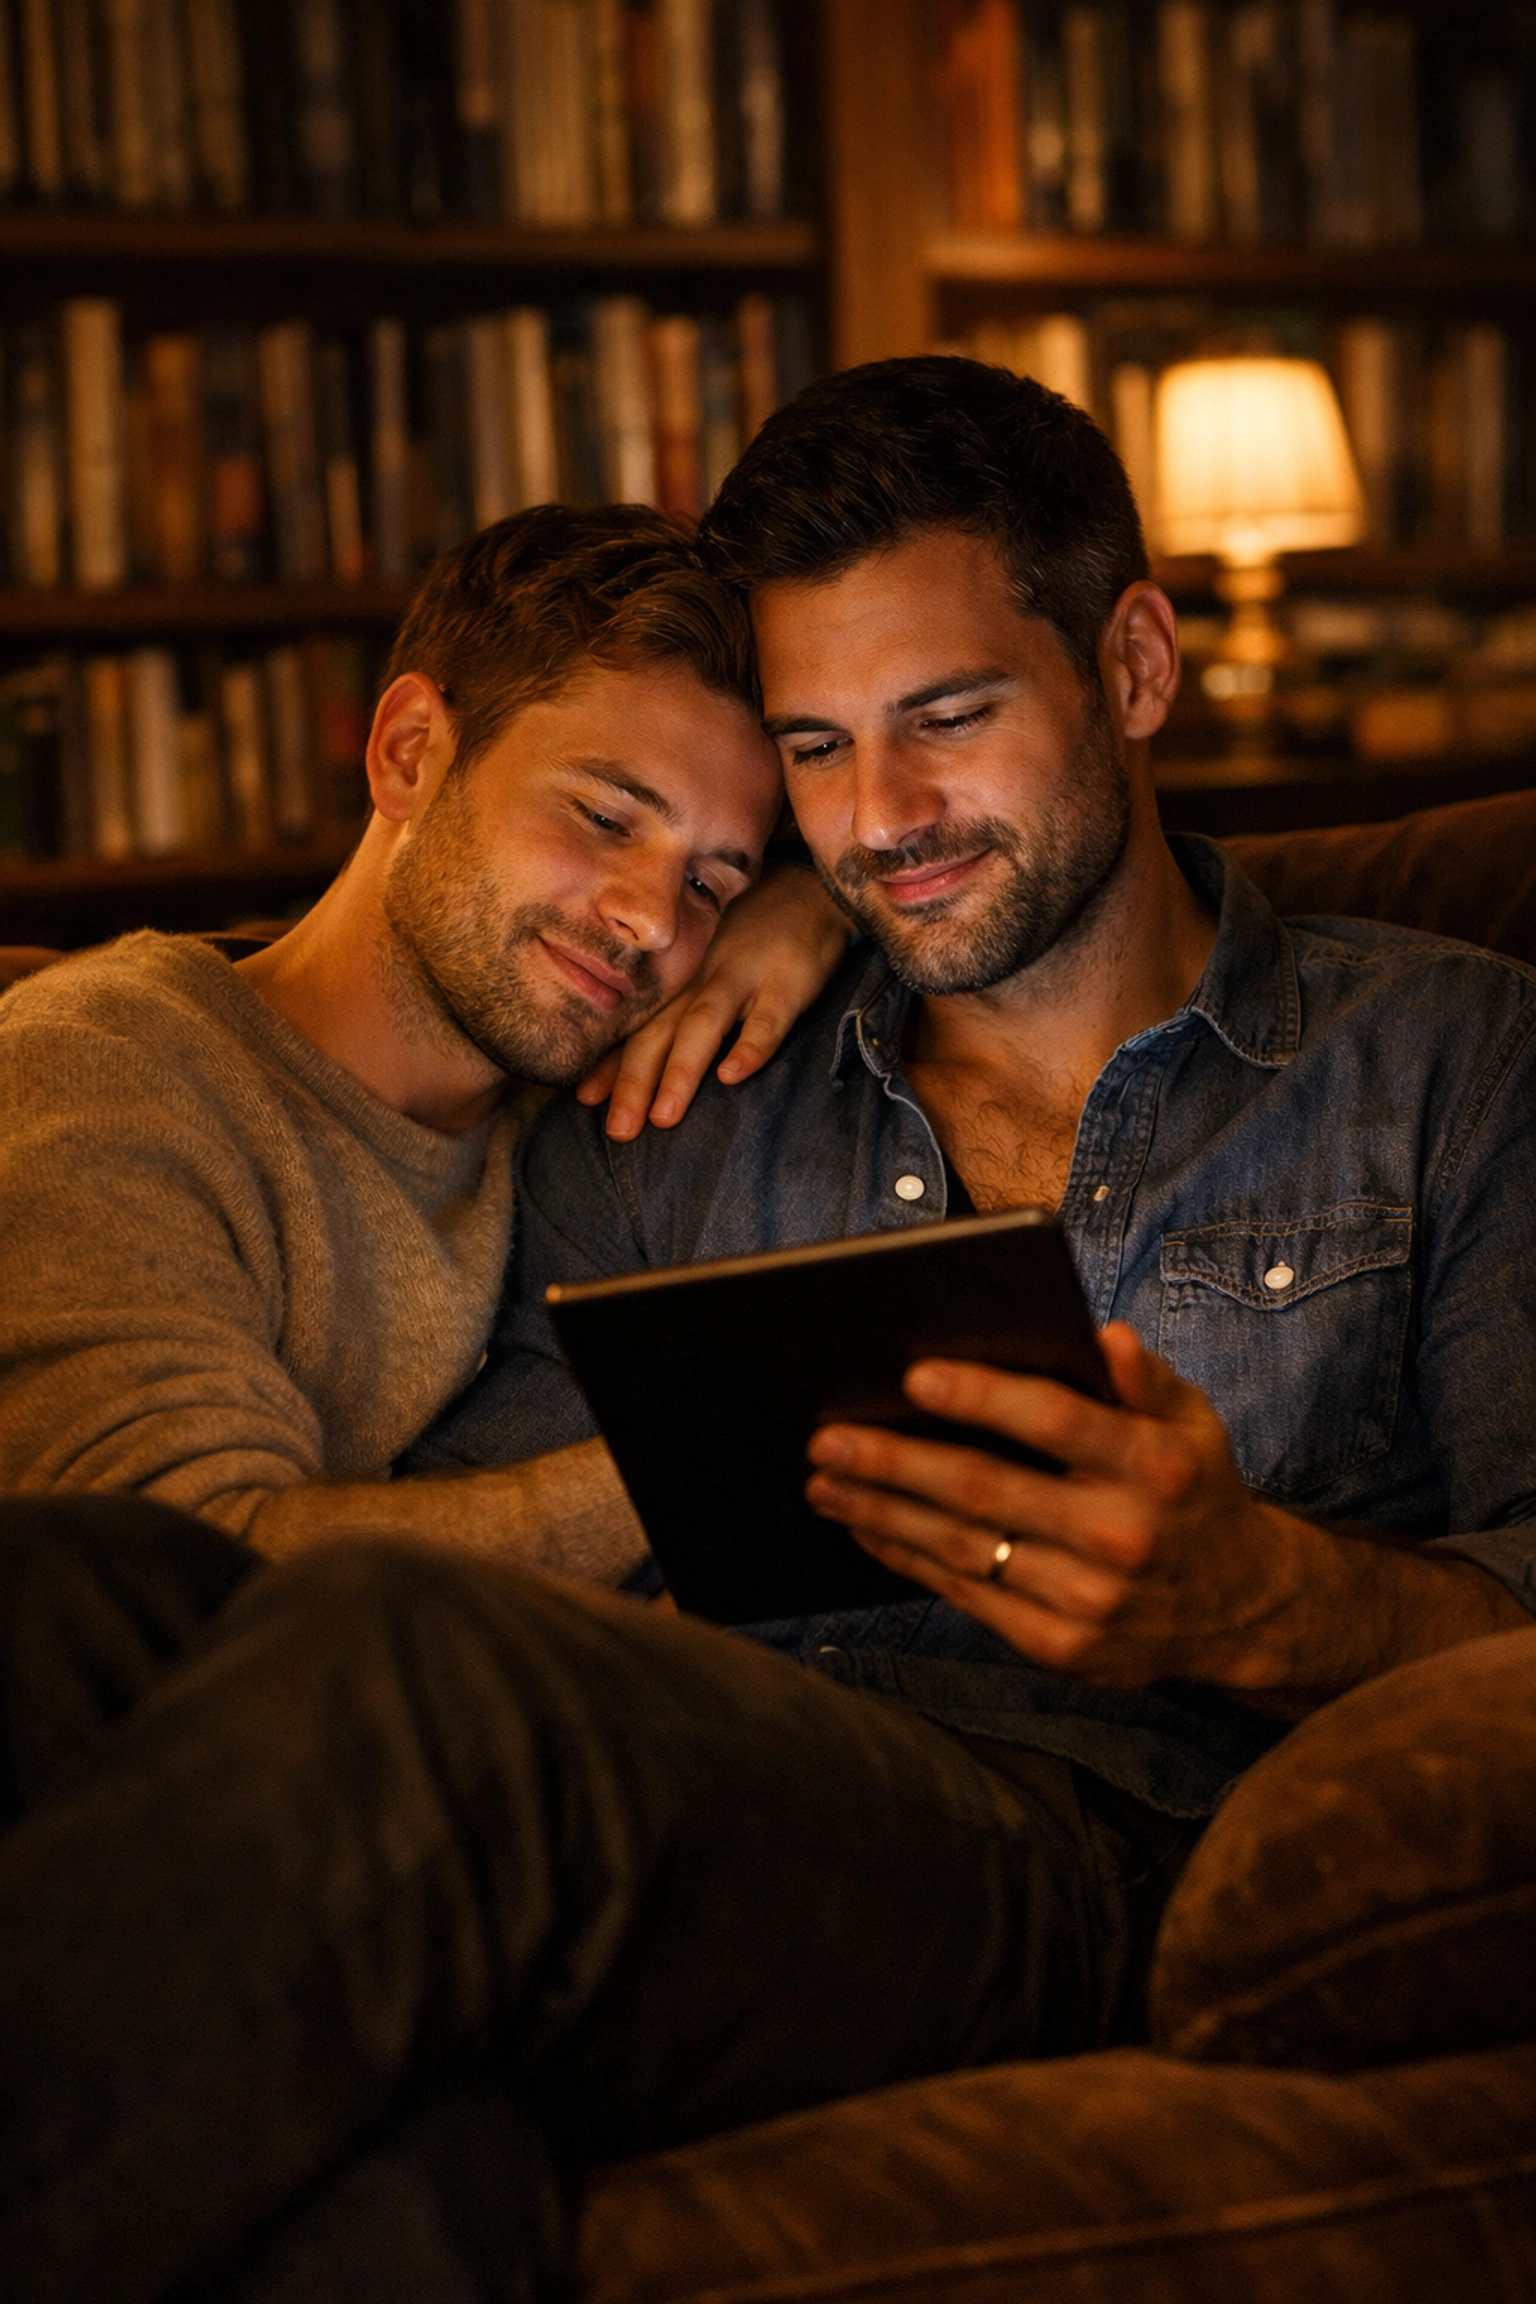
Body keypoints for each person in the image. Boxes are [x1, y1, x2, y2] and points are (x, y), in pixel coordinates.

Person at [417, 357, 1536, 1819]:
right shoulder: (671, 1108)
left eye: (946, 718)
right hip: (710, 1830)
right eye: (817, 746)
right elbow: (452, 1616)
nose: (880, 821)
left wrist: (1262, 1598)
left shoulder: (1450, 1060)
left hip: (1126, 1861)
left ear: (1133, 665)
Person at [0, 506, 847, 1576]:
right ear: (409, 754)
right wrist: (740, 1449)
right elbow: (180, 1583)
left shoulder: (593, 1087)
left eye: (708, 881)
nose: (654, 922)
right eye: (603, 817)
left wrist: (820, 901)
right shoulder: (101, 1075)